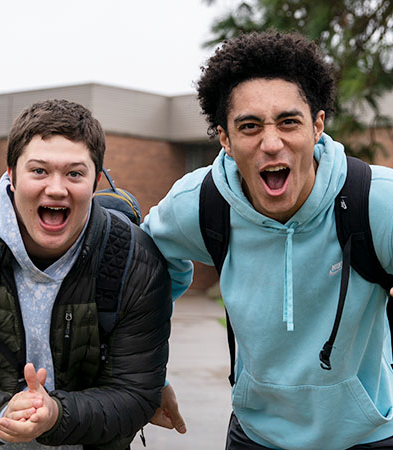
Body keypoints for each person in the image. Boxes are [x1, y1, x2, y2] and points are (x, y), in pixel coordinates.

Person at [143, 31, 393, 449]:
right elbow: (139, 277)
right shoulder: (201, 204)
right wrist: (149, 378)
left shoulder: (375, 201)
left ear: (317, 126)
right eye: (250, 126)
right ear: (224, 138)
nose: (271, 143)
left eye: (289, 121)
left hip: (370, 435)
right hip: (256, 434)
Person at [0, 99, 172, 450]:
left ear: (96, 180)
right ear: (11, 175)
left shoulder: (134, 260)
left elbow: (136, 392)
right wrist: (3, 411)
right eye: (39, 171)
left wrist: (54, 415)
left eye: (74, 173)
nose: (56, 188)